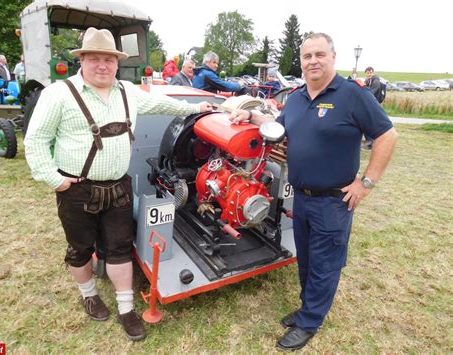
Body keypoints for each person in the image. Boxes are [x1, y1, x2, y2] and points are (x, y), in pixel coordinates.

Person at [24, 27, 212, 341]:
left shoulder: (128, 91)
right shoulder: (58, 94)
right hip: (77, 190)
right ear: (81, 60)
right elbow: (35, 142)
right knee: (80, 249)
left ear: (116, 62)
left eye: (109, 59)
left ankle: (126, 308)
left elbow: (165, 105)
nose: (102, 65)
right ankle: (89, 295)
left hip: (119, 186)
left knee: (120, 249)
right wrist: (54, 180)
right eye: (94, 58)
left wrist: (197, 109)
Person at [229, 32, 398, 351]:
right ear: (301, 62)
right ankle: (309, 307)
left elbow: (387, 136)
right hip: (302, 197)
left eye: (320, 55)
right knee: (306, 260)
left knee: (325, 264)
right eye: (307, 56)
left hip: (334, 201)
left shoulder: (352, 95)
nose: (313, 61)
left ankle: (310, 321)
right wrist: (250, 115)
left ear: (333, 57)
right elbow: (278, 125)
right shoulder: (295, 98)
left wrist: (366, 183)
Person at [363, 66, 382, 149]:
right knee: (366, 124)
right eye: (368, 73)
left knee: (368, 124)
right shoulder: (367, 81)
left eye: (371, 72)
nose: (369, 74)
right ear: (365, 73)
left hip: (374, 106)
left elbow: (371, 93)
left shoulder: (376, 81)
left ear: (373, 73)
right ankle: (370, 142)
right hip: (369, 105)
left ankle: (372, 142)